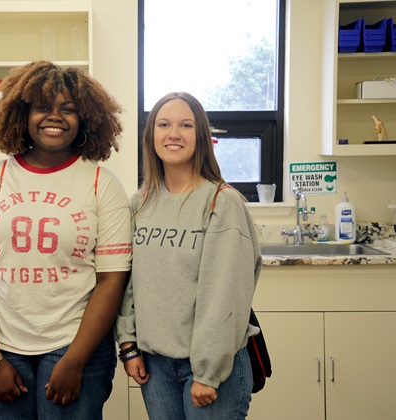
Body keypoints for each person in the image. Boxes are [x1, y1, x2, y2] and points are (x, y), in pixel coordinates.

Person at [0, 61, 132, 420]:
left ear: (85, 118)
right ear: (22, 115)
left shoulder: (102, 183)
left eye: (68, 109)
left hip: (77, 347)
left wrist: (75, 361)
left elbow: (111, 281)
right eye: (42, 107)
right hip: (5, 348)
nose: (55, 117)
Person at [115, 92, 262, 419]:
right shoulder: (140, 203)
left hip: (210, 369)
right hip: (155, 365)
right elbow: (129, 283)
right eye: (163, 125)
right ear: (151, 135)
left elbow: (224, 295)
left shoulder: (221, 202)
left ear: (201, 136)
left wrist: (208, 372)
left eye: (186, 125)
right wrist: (128, 346)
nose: (174, 134)